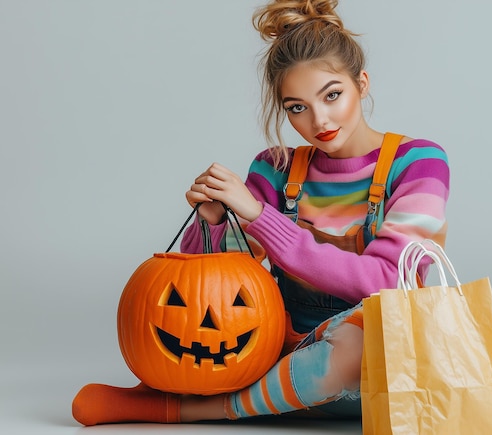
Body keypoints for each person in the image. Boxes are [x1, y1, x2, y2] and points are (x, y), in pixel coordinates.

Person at [71, 0, 449, 425]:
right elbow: (212, 286)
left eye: (333, 95)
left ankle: (187, 409)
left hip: (370, 370)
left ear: (361, 83)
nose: (319, 120)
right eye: (297, 107)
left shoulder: (418, 163)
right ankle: (259, 391)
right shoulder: (276, 167)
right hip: (285, 354)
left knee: (363, 340)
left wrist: (259, 217)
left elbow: (387, 281)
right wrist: (212, 220)